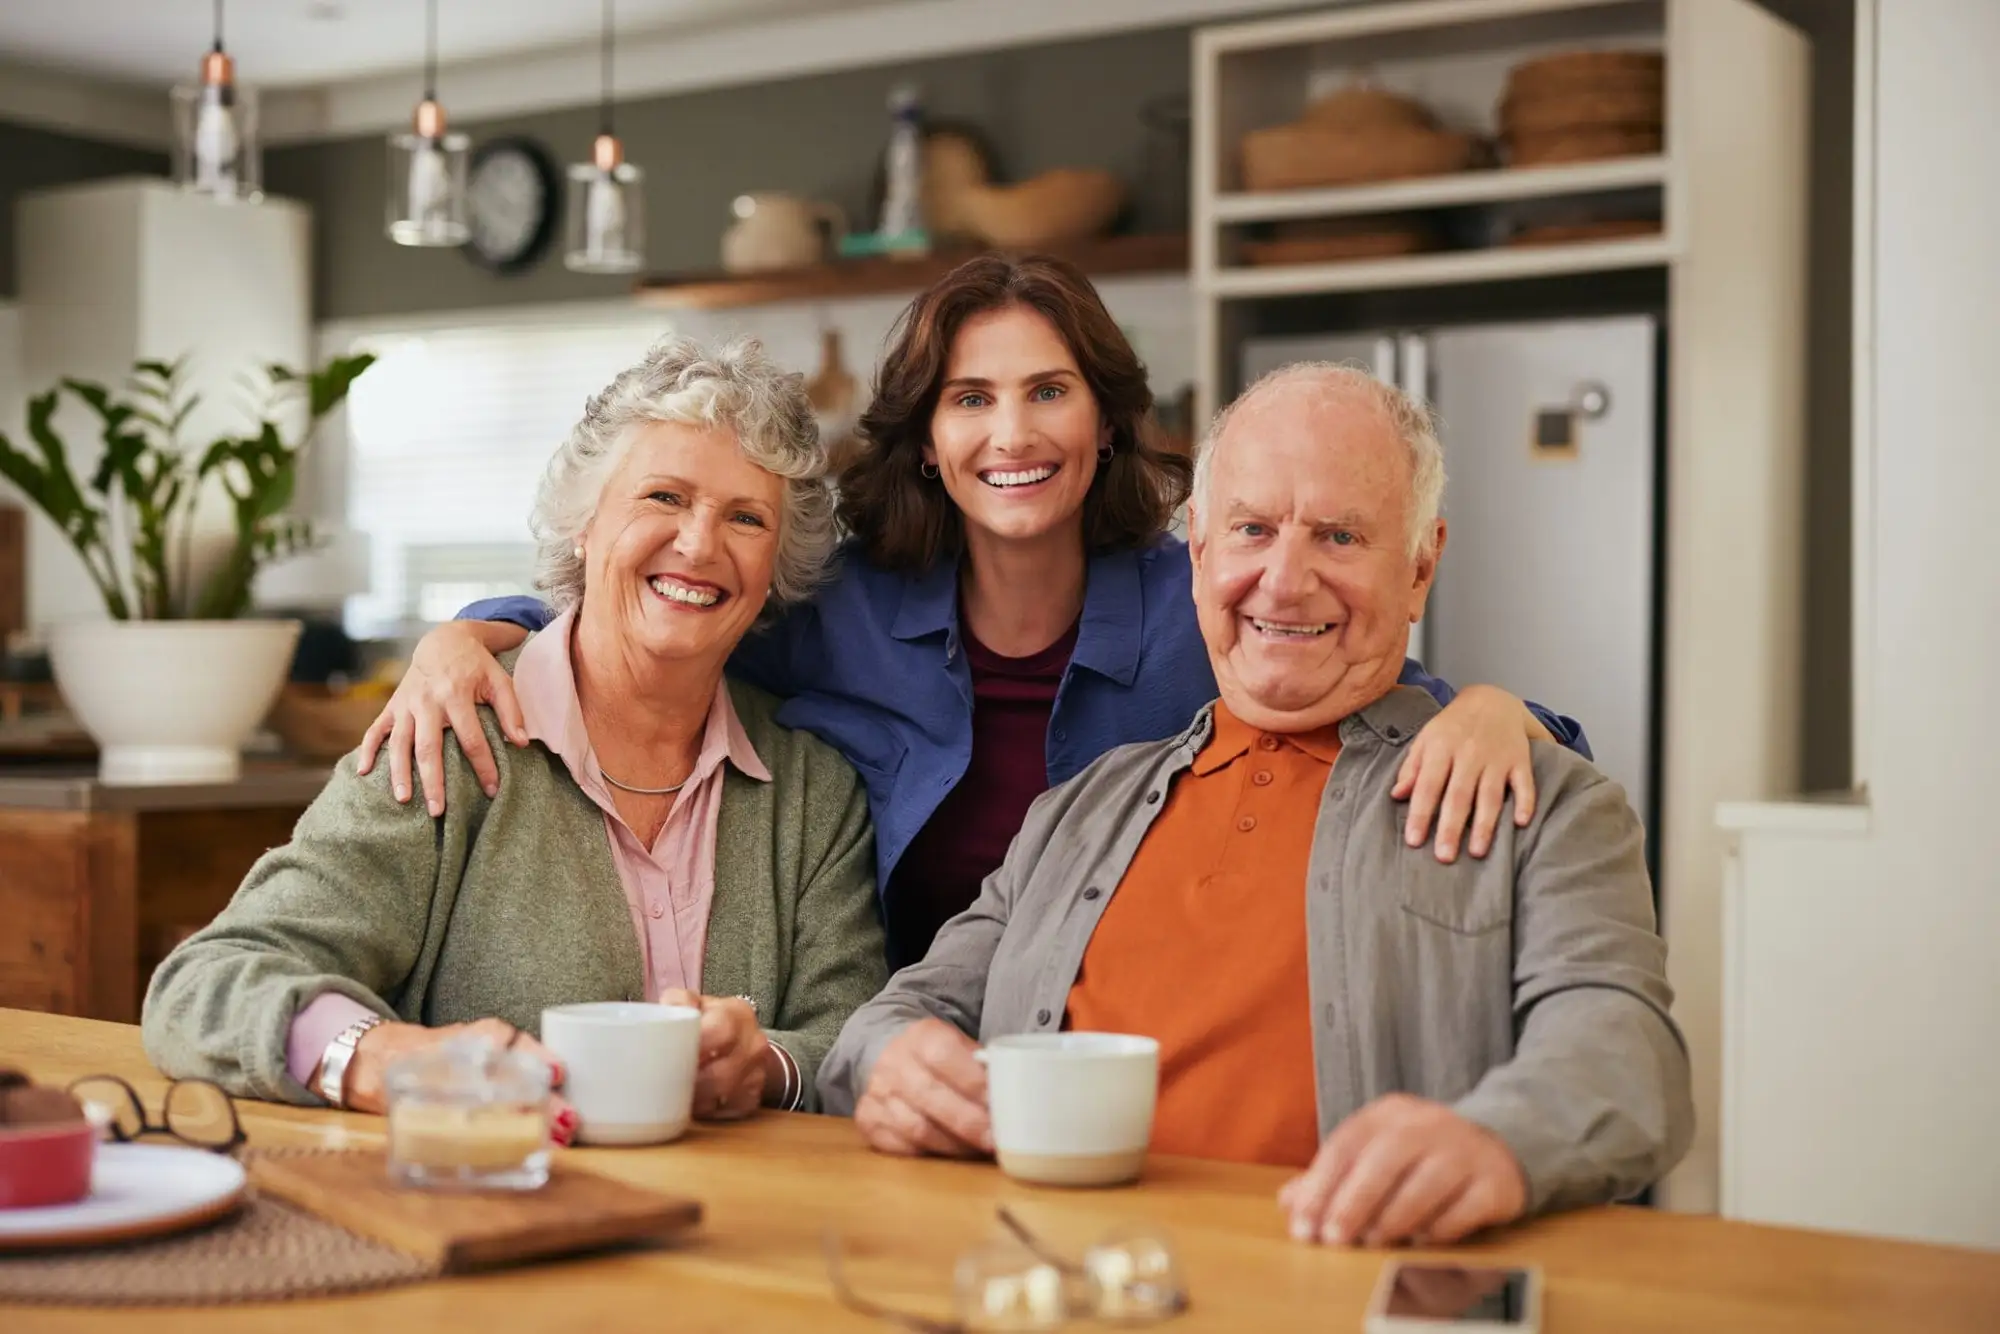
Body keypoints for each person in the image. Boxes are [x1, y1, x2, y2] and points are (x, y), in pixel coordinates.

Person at [359, 255, 1589, 970]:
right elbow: (659, 602)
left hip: (1119, 1060)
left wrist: (1493, 708)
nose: (1010, 434)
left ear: (1102, 421)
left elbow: (1401, 697)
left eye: (1047, 391)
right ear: (930, 438)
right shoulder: (838, 606)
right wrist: (472, 631)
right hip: (895, 1064)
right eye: (969, 399)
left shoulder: (1199, 601)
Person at [817, 363, 1692, 1250]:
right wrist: (890, 1059)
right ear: (1198, 549)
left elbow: (1627, 1058)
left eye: (1340, 537)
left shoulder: (1544, 805)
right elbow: (899, 1013)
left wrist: (1497, 1141)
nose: (1284, 580)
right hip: (1046, 1285)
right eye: (1252, 530)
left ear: (1421, 564)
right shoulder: (1079, 809)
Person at [143, 337, 887, 1136]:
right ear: (584, 526)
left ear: (777, 565)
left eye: (746, 517)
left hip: (737, 1239)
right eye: (664, 498)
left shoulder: (814, 789)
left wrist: (767, 1064)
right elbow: (207, 984)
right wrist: (381, 1060)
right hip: (485, 1210)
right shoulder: (448, 738)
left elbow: (851, 1037)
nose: (700, 545)